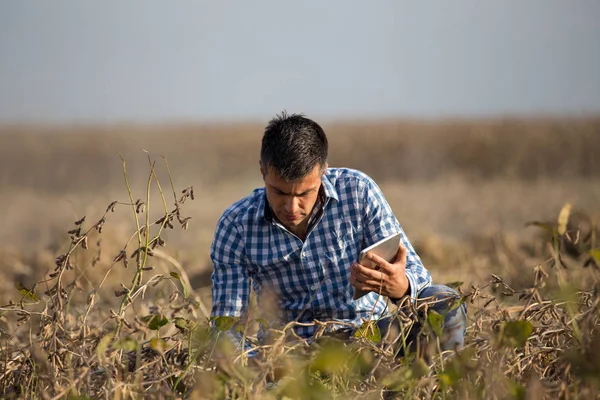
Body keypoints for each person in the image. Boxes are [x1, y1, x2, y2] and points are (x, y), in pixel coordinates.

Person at [210, 112, 466, 356]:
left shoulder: (358, 192)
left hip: (371, 341)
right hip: (289, 357)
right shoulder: (236, 226)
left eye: (303, 194)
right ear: (262, 171)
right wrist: (260, 372)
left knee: (445, 302)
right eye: (280, 193)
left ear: (323, 172)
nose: (292, 207)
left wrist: (401, 287)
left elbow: (420, 277)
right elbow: (227, 329)